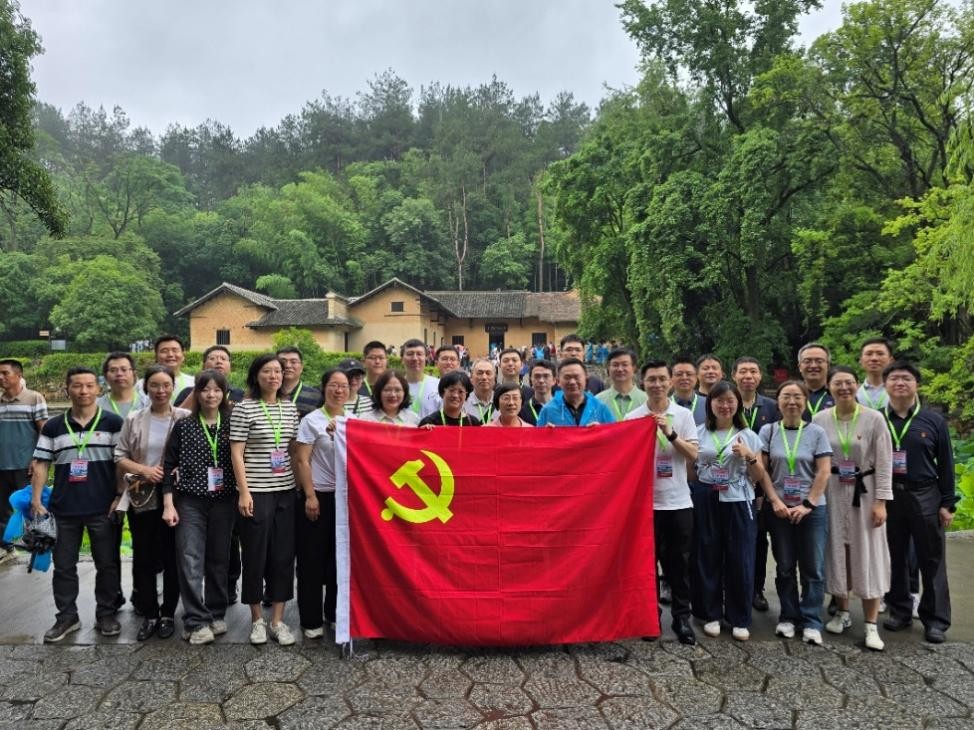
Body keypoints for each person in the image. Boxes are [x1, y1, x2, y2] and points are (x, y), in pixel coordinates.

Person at [31, 367, 124, 641]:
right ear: (67, 389)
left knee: (107, 564)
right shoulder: (53, 426)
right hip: (63, 509)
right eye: (77, 386)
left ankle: (106, 614)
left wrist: (119, 496)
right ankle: (67, 617)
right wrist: (36, 500)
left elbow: (121, 463)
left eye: (89, 386)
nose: (83, 391)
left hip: (103, 508)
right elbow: (41, 463)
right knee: (63, 566)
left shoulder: (113, 423)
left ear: (99, 389)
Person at [813, 367, 892, 651]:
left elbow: (884, 462)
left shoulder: (874, 419)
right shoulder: (820, 419)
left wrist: (882, 501)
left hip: (865, 491)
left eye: (849, 382)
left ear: (857, 385)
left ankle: (871, 623)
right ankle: (843, 611)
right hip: (832, 490)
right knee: (837, 550)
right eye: (838, 383)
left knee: (869, 554)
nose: (844, 387)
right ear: (829, 387)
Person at [880, 361, 957, 644]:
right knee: (894, 555)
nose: (900, 383)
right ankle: (899, 610)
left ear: (916, 385)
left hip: (925, 494)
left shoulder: (933, 421)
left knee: (932, 558)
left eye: (906, 378)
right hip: (889, 495)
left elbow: (946, 463)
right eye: (894, 378)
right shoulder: (878, 419)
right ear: (885, 385)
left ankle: (935, 619)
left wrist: (947, 503)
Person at [625, 360, 700, 645]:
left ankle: (682, 618)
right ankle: (651, 617)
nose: (656, 384)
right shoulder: (633, 417)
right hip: (645, 505)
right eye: (651, 379)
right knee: (647, 565)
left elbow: (693, 454)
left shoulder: (683, 415)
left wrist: (670, 433)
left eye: (661, 379)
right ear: (642, 383)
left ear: (670, 382)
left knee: (680, 564)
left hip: (678, 502)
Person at [160, 370, 238, 645]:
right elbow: (168, 466)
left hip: (224, 501)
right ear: (197, 393)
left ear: (224, 393)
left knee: (219, 559)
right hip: (190, 501)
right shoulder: (184, 425)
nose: (211, 395)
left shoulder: (233, 423)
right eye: (205, 389)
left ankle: (216, 613)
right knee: (189, 558)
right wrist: (168, 504)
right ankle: (195, 620)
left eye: (217, 390)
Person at [691, 380, 771, 641]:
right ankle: (710, 614)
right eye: (719, 400)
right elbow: (692, 470)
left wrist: (749, 455)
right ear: (710, 404)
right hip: (707, 497)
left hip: (739, 500)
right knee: (708, 555)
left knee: (741, 557)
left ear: (738, 404)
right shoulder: (699, 432)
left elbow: (758, 476)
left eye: (730, 401)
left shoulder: (749, 436)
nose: (725, 406)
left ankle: (739, 617)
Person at [230, 354, 301, 645]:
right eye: (267, 371)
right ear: (256, 376)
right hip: (256, 492)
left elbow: (293, 450)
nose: (274, 376)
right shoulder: (244, 408)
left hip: (285, 491)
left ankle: (278, 621)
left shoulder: (290, 407)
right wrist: (244, 492)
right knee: (255, 555)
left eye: (278, 372)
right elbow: (237, 453)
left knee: (283, 556)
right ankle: (257, 619)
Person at [115, 365, 189, 641]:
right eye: (155, 385)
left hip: (177, 496)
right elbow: (119, 455)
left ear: (173, 387)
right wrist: (145, 470)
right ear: (146, 387)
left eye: (166, 385)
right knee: (144, 556)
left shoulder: (184, 417)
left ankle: (168, 612)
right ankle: (150, 614)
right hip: (142, 493)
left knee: (173, 556)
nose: (161, 390)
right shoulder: (133, 419)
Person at [759, 380, 833, 645]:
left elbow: (824, 471)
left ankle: (812, 620)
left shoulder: (817, 432)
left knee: (813, 568)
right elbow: (762, 470)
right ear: (778, 402)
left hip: (812, 510)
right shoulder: (768, 431)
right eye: (786, 396)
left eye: (797, 397)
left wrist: (808, 504)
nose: (792, 402)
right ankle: (788, 616)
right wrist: (774, 501)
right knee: (785, 566)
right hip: (779, 509)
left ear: (805, 402)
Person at [293, 368, 353, 639]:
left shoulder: (353, 421)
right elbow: (302, 460)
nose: (339, 390)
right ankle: (310, 619)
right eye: (333, 385)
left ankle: (334, 614)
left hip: (346, 499)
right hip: (318, 496)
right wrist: (310, 495)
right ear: (324, 388)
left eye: (344, 386)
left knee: (339, 559)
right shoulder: (311, 420)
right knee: (311, 559)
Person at [731, 356, 781, 613]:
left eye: (753, 371)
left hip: (762, 484)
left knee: (759, 540)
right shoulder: (727, 403)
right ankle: (732, 588)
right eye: (743, 371)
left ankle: (756, 589)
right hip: (731, 483)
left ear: (760, 376)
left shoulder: (771, 408)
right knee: (733, 538)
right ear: (734, 376)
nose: (748, 376)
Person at [0, 358, 48, 562]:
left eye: (5, 373)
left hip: (25, 465)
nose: (1, 377)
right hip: (2, 465)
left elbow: (44, 431)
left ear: (18, 375)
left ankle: (38, 549)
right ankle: (6, 548)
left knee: (30, 506)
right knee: (2, 509)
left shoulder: (34, 398)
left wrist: (37, 459)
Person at [537, 359, 615, 427]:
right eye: (567, 377)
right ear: (558, 381)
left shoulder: (600, 408)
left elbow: (614, 436)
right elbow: (537, 438)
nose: (572, 382)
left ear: (586, 379)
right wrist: (546, 433)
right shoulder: (548, 410)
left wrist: (602, 431)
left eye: (577, 377)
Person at [174, 345, 245, 408]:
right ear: (203, 366)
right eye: (212, 358)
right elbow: (176, 416)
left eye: (223, 359)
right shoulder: (188, 393)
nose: (219, 361)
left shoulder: (240, 394)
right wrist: (196, 391)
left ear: (230, 367)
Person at [137, 335, 195, 403]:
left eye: (175, 350)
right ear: (156, 356)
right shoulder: (141, 385)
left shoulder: (193, 383)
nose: (170, 355)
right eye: (164, 351)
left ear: (183, 355)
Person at [597, 348, 647, 420]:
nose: (620, 369)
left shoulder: (646, 400)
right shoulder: (598, 401)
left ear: (634, 368)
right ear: (608, 368)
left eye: (625, 365)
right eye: (615, 365)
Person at [96, 352, 147, 418]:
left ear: (134, 374)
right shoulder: (96, 406)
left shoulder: (147, 404)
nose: (119, 374)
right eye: (113, 370)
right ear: (105, 376)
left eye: (124, 369)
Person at [277, 347, 323, 419]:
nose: (288, 365)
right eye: (283, 362)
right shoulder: (266, 394)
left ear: (301, 367)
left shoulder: (316, 396)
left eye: (293, 362)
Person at [402, 339, 440, 419]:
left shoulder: (438, 385)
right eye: (410, 354)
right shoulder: (394, 387)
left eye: (419, 354)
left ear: (426, 358)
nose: (415, 358)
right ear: (402, 359)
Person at [797, 343, 834, 422]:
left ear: (828, 366)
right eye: (807, 361)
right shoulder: (792, 395)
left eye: (819, 361)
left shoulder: (838, 394)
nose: (813, 365)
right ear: (800, 367)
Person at [857, 338, 894, 410]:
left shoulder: (900, 390)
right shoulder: (852, 392)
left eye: (880, 354)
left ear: (891, 360)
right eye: (869, 354)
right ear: (860, 360)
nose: (874, 358)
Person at [670, 356, 707, 425]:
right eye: (679, 374)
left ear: (696, 377)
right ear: (670, 378)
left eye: (689, 374)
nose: (684, 378)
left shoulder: (708, 404)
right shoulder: (663, 405)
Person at [520, 360, 556, 425]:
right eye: (537, 376)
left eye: (546, 376)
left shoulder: (565, 408)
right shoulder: (521, 411)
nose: (541, 381)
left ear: (554, 380)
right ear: (531, 379)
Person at [465, 358, 497, 423]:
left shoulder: (502, 401)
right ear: (471, 378)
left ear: (494, 378)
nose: (484, 377)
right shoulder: (462, 402)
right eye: (480, 373)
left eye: (488, 373)